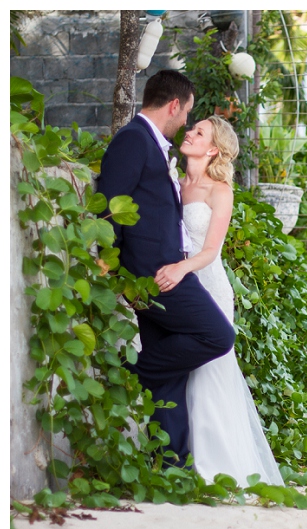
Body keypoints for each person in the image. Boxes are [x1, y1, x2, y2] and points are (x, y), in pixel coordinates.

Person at [96, 70, 235, 469]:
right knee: (217, 335)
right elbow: (110, 205)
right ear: (174, 105)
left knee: (170, 374)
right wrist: (111, 263)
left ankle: (172, 465)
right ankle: (131, 374)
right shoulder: (134, 140)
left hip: (166, 271)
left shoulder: (158, 149)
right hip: (155, 275)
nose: (187, 124)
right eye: (188, 113)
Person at [153, 115, 284, 486]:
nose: (189, 133)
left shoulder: (219, 190)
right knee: (180, 371)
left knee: (209, 373)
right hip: (174, 286)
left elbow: (211, 250)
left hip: (207, 284)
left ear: (212, 149)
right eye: (191, 128)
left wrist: (180, 268)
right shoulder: (174, 182)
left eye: (199, 133)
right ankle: (175, 457)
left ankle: (215, 468)